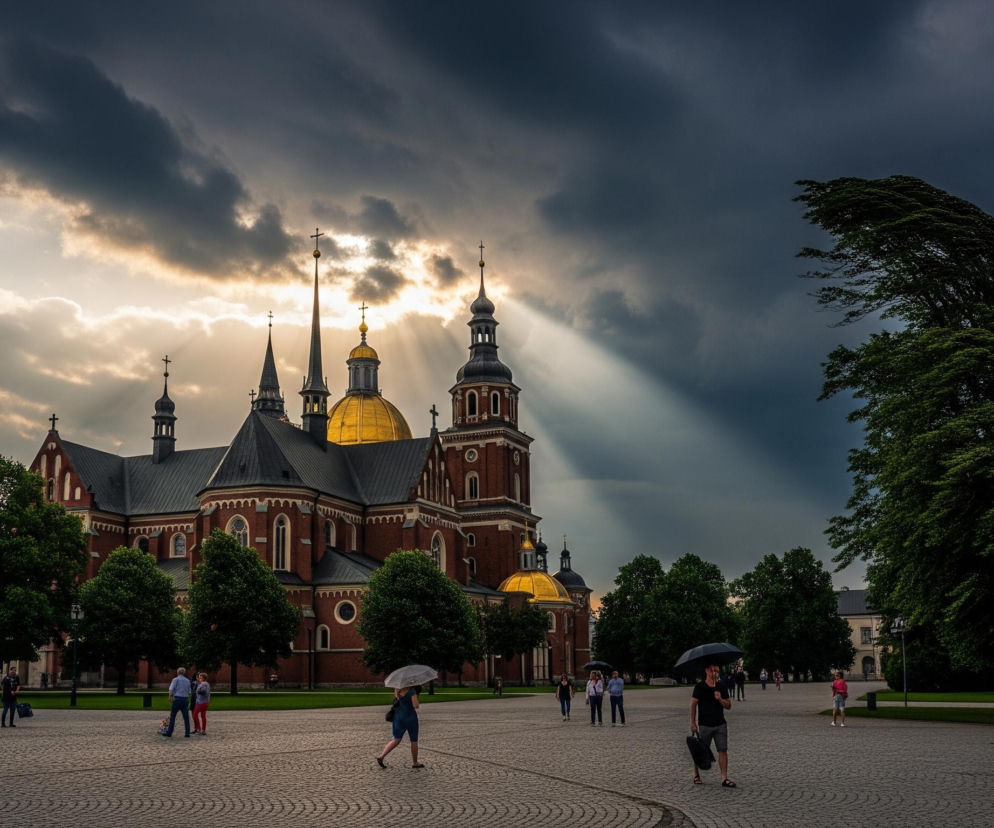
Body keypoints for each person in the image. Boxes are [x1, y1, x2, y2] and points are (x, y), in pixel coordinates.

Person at [689, 662, 735, 787]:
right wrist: (693, 722)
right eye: (713, 670)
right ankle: (696, 775)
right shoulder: (700, 687)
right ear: (707, 671)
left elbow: (729, 705)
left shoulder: (721, 686)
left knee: (723, 750)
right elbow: (693, 704)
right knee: (700, 751)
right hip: (705, 725)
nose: (715, 673)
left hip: (720, 724)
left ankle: (724, 778)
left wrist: (720, 699)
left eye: (717, 671)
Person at [376, 685, 423, 768]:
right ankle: (415, 762)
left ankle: (381, 756)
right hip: (410, 717)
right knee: (414, 740)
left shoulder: (397, 689)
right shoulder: (411, 691)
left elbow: (398, 700)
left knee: (396, 738)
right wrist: (416, 699)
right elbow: (415, 705)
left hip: (398, 717)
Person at [162, 666, 192, 737]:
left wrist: (170, 697)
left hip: (177, 699)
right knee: (186, 717)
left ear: (177, 672)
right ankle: (187, 733)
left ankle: (169, 732)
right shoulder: (187, 680)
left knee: (173, 716)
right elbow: (190, 692)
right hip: (185, 700)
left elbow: (171, 689)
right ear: (184, 673)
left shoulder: (175, 679)